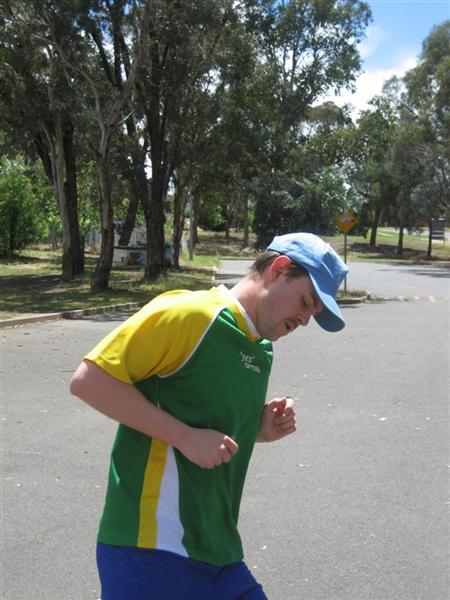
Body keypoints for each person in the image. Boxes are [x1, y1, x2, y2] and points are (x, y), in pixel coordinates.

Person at [70, 232, 348, 600]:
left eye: (313, 313)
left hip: (219, 552)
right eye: (306, 302)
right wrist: (184, 437)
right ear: (279, 270)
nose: (305, 320)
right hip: (150, 547)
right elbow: (89, 381)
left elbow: (205, 424)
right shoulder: (191, 314)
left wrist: (257, 429)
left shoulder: (261, 349)